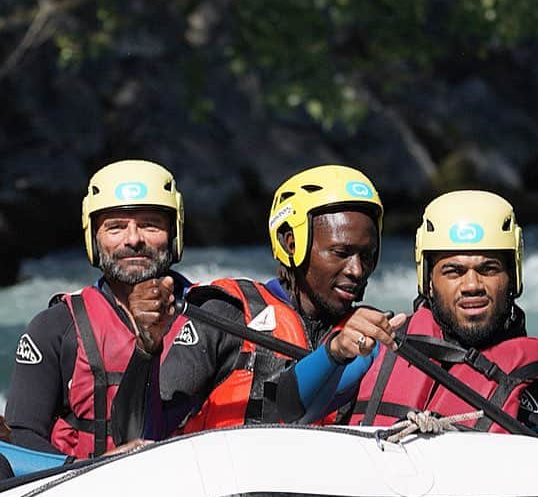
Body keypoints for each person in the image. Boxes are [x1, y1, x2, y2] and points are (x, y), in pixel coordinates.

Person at [287, 189, 538, 490]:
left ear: (512, 277)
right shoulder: (376, 346)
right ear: (428, 281)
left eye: (488, 269)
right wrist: (333, 353)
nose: (472, 284)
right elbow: (285, 413)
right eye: (454, 271)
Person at [118, 164, 397, 434]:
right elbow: (137, 436)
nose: (357, 270)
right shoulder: (224, 313)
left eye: (367, 255)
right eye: (340, 252)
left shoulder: (371, 333)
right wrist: (147, 349)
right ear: (292, 244)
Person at [2, 159, 191, 461]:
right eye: (115, 227)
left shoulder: (215, 314)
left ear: (174, 231)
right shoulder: (54, 328)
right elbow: (21, 439)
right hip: (87, 493)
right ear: (94, 237)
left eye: (150, 224)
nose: (133, 239)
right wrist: (96, 470)